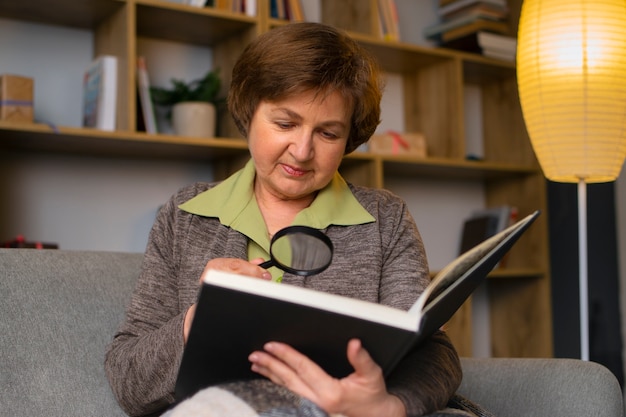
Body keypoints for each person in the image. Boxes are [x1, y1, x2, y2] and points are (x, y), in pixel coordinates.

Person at [105, 22, 464, 417]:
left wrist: (390, 406)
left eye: (328, 133)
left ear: (349, 139)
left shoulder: (385, 219)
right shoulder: (185, 215)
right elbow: (128, 379)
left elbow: (432, 350)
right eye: (285, 124)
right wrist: (198, 318)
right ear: (249, 112)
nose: (302, 150)